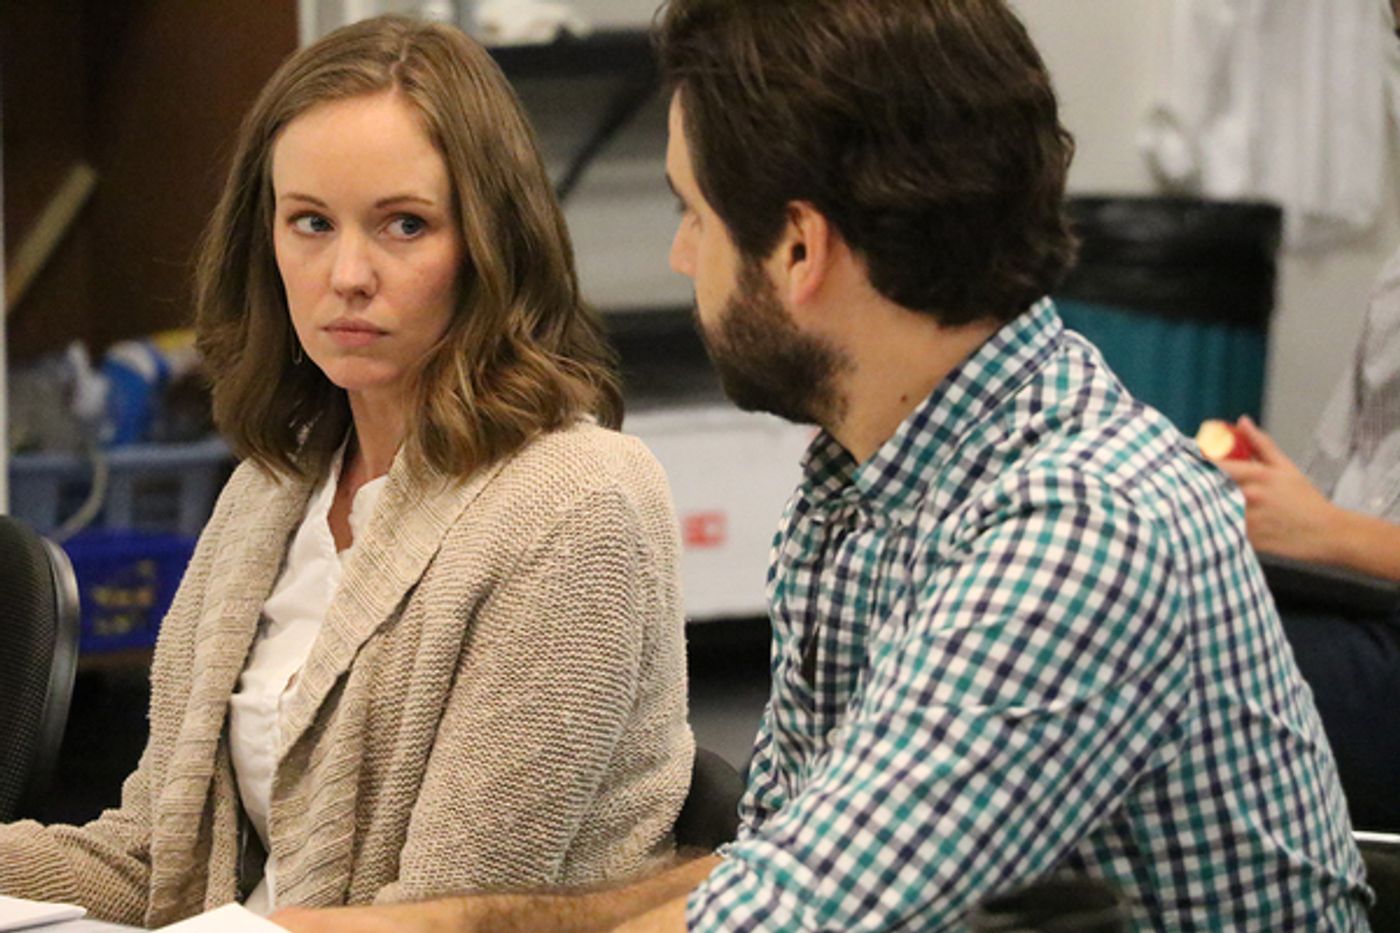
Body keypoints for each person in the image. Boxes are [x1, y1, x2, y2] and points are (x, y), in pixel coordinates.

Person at [274, 1, 1371, 929]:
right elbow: (779, 865)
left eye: (690, 213)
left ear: (797, 250)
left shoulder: (1079, 523)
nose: (678, 255)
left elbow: (777, 922)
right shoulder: (870, 474)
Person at [0, 15, 693, 926]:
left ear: (490, 243)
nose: (348, 273)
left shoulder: (576, 504)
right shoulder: (273, 489)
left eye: (404, 224)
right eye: (311, 224)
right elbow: (155, 861)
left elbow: (446, 913)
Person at [1215, 241, 1400, 831]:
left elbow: (1333, 527)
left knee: (1168, 666)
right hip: (1352, 601)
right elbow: (1348, 471)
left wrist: (1332, 534)